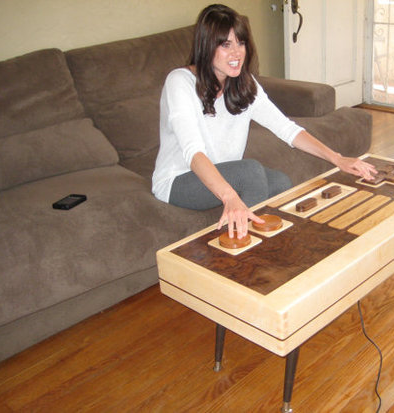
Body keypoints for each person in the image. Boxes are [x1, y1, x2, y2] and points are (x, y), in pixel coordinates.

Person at [152, 4, 376, 239]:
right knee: (250, 172)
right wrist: (230, 197)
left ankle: (274, 243)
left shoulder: (243, 83)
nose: (237, 53)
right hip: (178, 180)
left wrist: (337, 159)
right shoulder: (180, 82)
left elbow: (286, 128)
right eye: (226, 45)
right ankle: (244, 250)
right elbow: (193, 152)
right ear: (207, 46)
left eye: (241, 43)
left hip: (223, 170)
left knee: (280, 182)